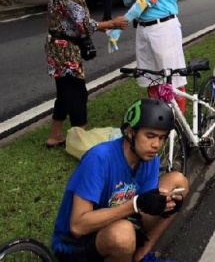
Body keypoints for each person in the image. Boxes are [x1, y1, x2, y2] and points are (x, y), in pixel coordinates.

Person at [52, 99, 189, 262]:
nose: (156, 145)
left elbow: (143, 217)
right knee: (122, 234)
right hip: (74, 245)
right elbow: (77, 227)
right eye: (150, 136)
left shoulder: (150, 160)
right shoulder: (99, 159)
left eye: (162, 138)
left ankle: (140, 257)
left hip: (117, 227)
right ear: (131, 132)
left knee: (178, 181)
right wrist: (135, 204)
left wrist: (164, 207)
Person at [45, 0, 128, 148]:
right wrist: (112, 23)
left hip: (56, 46)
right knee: (77, 93)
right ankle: (80, 140)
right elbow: (84, 25)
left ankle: (55, 136)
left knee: (65, 91)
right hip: (65, 49)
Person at [124, 0, 187, 113]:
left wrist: (122, 23)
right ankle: (157, 115)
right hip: (143, 28)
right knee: (150, 76)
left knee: (172, 77)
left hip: (164, 27)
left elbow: (147, 0)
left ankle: (178, 120)